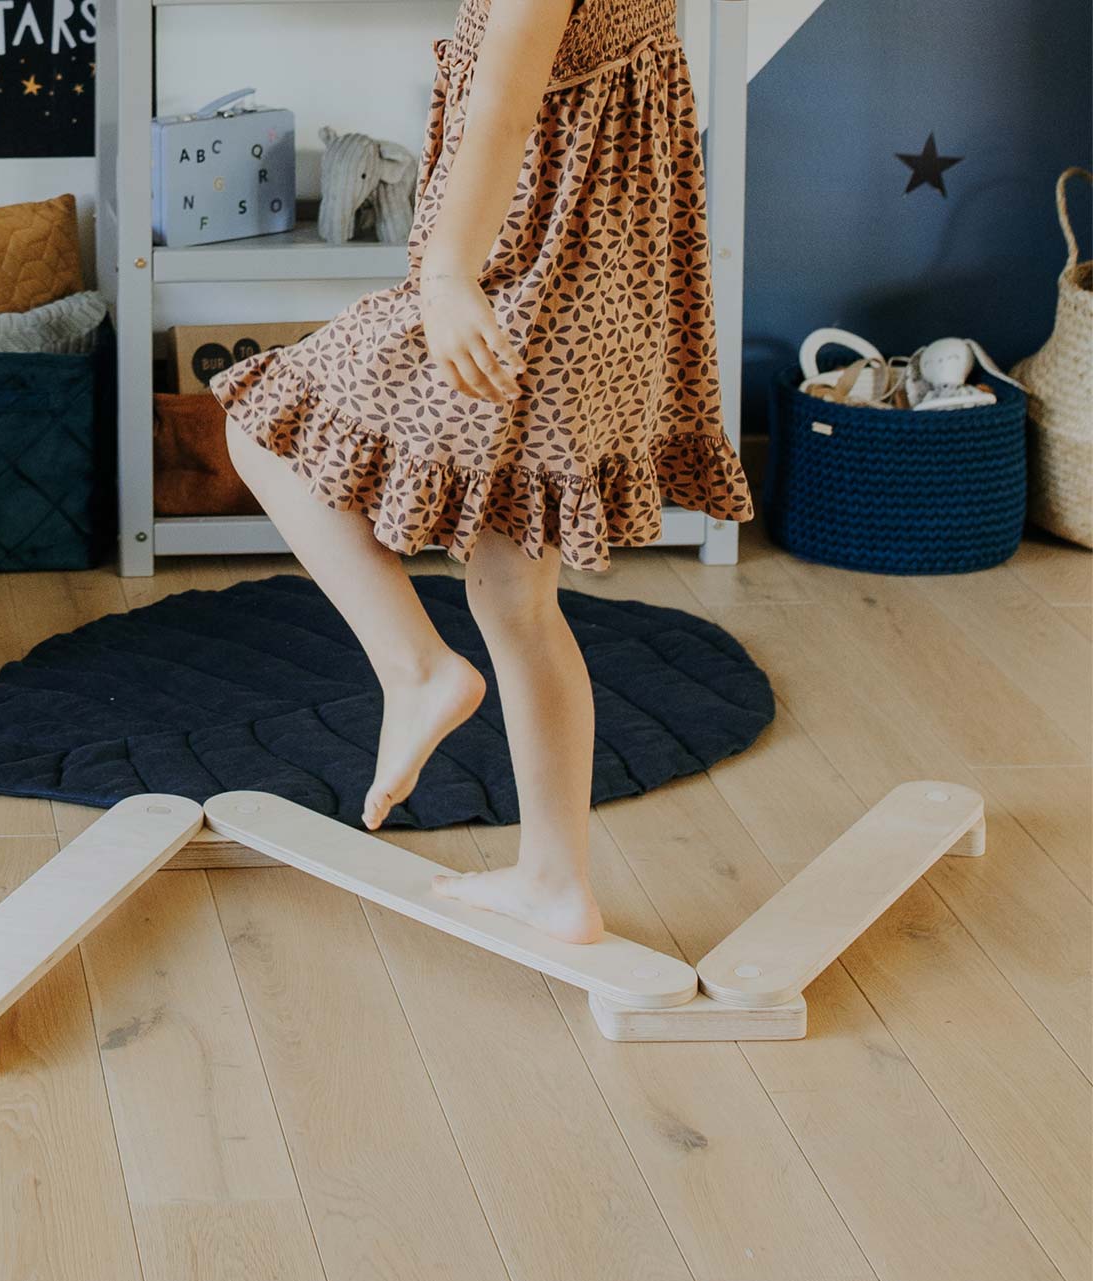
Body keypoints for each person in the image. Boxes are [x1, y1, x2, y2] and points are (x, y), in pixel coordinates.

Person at [209, 0, 754, 944]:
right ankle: (553, 883)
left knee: (262, 425)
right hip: (607, 292)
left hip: (529, 283)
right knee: (515, 599)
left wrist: (448, 276)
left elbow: (503, 105)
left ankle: (416, 669)